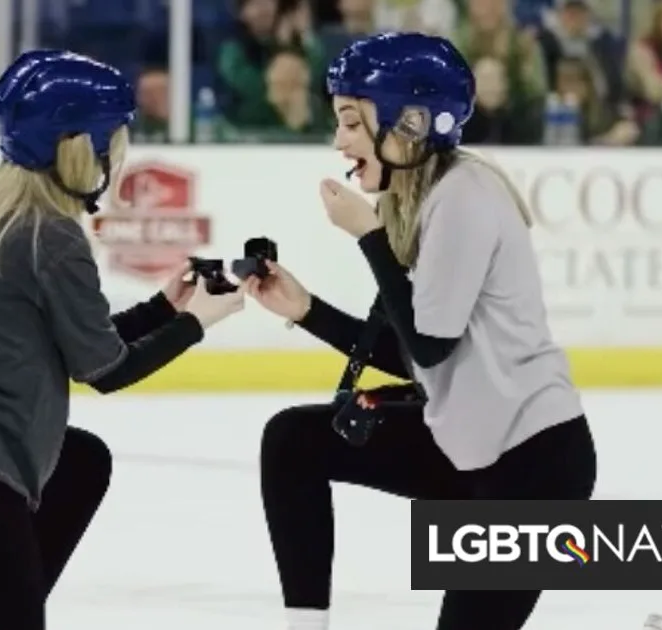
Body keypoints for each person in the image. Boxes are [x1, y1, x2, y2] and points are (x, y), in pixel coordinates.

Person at [0, 50, 244, 630]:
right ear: (78, 146)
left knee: (80, 462)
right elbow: (106, 372)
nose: (117, 158)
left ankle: (9, 602)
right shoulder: (50, 235)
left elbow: (81, 345)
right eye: (112, 143)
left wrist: (164, 307)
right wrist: (197, 322)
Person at [241, 32, 597, 630]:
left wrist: (369, 237)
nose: (339, 141)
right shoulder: (426, 193)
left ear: (411, 121)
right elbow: (420, 356)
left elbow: (430, 346)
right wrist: (305, 310)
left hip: (532, 469)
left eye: (352, 122)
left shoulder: (464, 196)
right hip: (469, 448)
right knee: (292, 442)